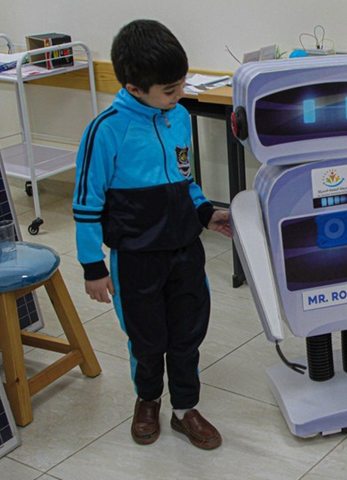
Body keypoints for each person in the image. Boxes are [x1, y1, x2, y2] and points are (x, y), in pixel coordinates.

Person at [72, 19, 231, 450]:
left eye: (181, 85)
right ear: (134, 86)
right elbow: (86, 205)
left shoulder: (178, 116)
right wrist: (92, 266)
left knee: (187, 335)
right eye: (170, 89)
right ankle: (148, 400)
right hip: (136, 257)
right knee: (147, 340)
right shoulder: (106, 130)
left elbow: (186, 178)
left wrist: (204, 213)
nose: (179, 96)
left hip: (184, 251)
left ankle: (184, 410)